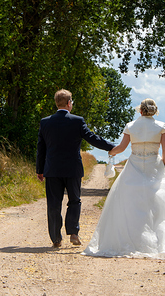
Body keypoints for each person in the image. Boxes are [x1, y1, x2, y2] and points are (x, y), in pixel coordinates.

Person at [83, 99, 165, 260]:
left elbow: (122, 148)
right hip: (154, 165)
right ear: (154, 111)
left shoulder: (131, 126)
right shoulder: (161, 126)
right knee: (157, 200)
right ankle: (159, 240)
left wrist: (112, 153)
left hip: (135, 164)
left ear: (140, 111)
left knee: (131, 200)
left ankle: (132, 237)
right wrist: (164, 163)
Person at [37, 89, 116, 248]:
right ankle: (73, 232)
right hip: (73, 169)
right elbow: (92, 138)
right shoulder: (77, 121)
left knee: (53, 203)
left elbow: (41, 148)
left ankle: (56, 238)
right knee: (74, 201)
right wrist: (111, 147)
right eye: (71, 102)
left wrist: (40, 169)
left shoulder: (45, 122)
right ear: (68, 103)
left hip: (52, 170)